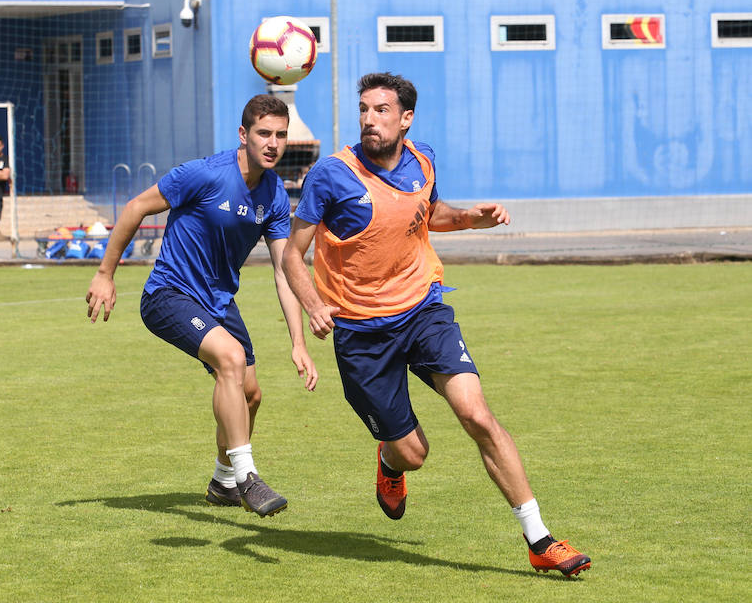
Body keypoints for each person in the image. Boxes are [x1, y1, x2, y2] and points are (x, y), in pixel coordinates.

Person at [281, 72, 591, 577]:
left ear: (405, 119)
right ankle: (390, 463)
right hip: (361, 334)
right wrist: (314, 304)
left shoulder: (421, 158)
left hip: (424, 310)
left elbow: (428, 213)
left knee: (478, 416)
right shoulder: (331, 175)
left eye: (381, 110)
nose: (368, 118)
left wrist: (471, 218)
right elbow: (293, 256)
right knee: (414, 453)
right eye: (363, 108)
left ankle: (540, 540)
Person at [85, 94, 317, 518]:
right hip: (169, 295)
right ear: (244, 135)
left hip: (218, 302)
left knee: (251, 396)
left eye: (281, 135)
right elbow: (137, 207)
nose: (273, 143)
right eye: (264, 133)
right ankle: (248, 477)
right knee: (230, 359)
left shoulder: (276, 197)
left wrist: (298, 341)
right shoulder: (204, 174)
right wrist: (105, 273)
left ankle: (223, 481)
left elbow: (285, 270)